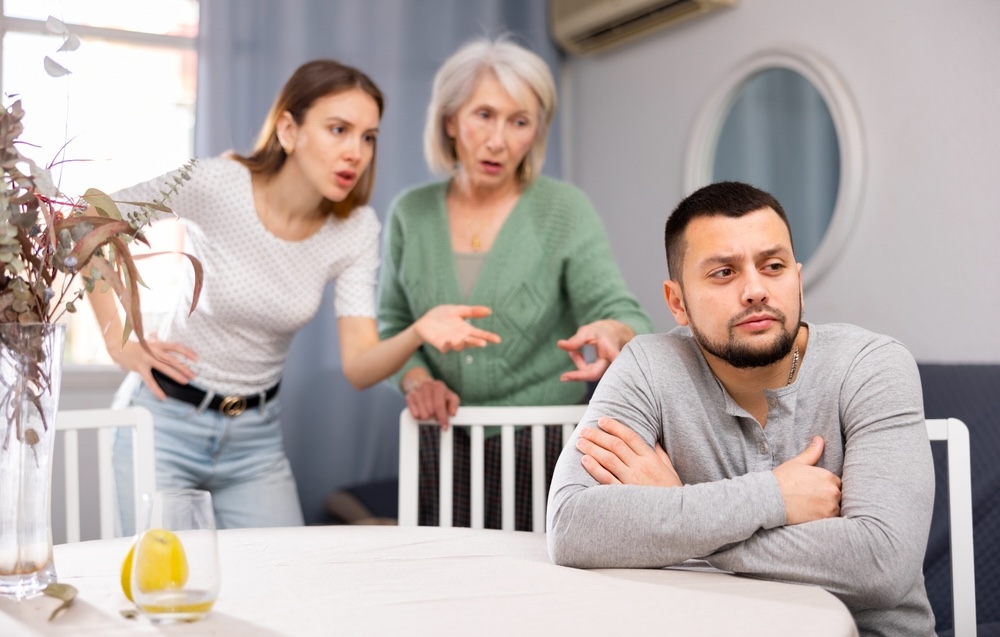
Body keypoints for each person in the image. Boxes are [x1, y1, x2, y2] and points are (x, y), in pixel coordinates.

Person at [89, 59, 500, 533]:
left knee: (285, 587)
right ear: (289, 129)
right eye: (338, 129)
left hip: (254, 441)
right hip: (164, 422)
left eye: (368, 137)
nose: (356, 152)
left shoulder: (355, 230)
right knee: (163, 592)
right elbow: (90, 218)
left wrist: (418, 332)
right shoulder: (217, 183)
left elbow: (361, 364)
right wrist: (119, 341)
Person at [546, 181, 936, 636]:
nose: (755, 290)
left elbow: (882, 564)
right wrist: (774, 495)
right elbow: (572, 526)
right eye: (723, 273)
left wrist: (675, 512)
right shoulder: (647, 366)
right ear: (678, 302)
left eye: (773, 266)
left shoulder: (872, 365)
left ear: (798, 279)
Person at [377, 35, 652, 530]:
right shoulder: (409, 214)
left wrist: (612, 332)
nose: (498, 140)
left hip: (544, 442)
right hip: (442, 437)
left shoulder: (564, 210)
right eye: (484, 115)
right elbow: (393, 321)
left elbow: (625, 313)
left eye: (519, 121)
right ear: (450, 121)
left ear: (535, 133)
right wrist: (417, 380)